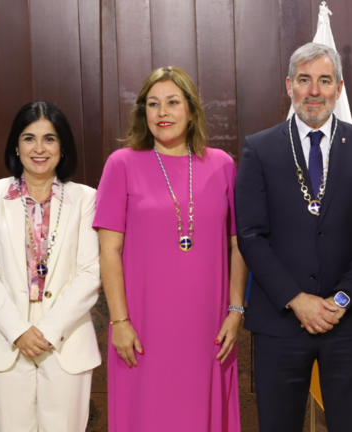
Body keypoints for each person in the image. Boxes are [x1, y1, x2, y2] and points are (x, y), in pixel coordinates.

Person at [235, 42, 352, 432]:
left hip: (348, 321)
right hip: (280, 320)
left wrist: (341, 300)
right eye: (305, 80)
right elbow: (251, 235)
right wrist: (297, 300)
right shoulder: (260, 148)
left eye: (324, 80)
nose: (314, 91)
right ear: (289, 86)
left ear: (339, 88)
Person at [94, 66, 246, 432]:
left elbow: (238, 244)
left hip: (208, 326)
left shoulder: (222, 164)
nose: (163, 113)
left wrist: (236, 309)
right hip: (143, 328)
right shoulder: (122, 164)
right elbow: (109, 251)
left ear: (191, 110)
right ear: (142, 113)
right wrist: (120, 322)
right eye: (153, 104)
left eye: (173, 103)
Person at [0, 101, 100, 431]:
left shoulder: (86, 198)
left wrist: (46, 331)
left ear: (63, 146)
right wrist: (19, 331)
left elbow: (90, 273)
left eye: (50, 139)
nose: (39, 148)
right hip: (4, 340)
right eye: (29, 138)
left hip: (66, 341)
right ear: (16, 145)